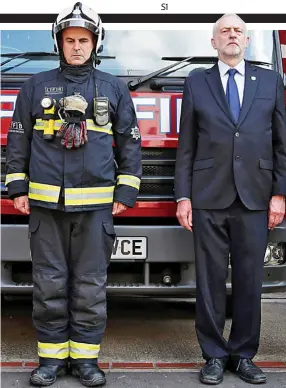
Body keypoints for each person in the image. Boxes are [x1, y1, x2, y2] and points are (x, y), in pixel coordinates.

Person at [5, 2, 142, 386]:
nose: (77, 46)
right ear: (59, 44)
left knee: (90, 284)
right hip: (47, 207)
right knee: (48, 282)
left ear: (95, 43)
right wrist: (17, 187)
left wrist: (126, 191)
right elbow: (19, 141)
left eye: (84, 39)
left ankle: (85, 360)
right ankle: (50, 360)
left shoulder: (114, 87)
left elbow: (130, 143)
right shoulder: (34, 87)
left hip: (96, 207)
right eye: (70, 40)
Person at [174, 13, 286, 385]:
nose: (231, 36)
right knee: (208, 281)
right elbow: (186, 146)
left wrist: (279, 194)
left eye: (238, 31)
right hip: (208, 196)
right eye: (224, 31)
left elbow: (282, 144)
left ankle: (243, 355)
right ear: (213, 42)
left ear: (247, 41)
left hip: (255, 198)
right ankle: (212, 354)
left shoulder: (271, 82)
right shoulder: (197, 82)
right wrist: (183, 197)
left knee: (249, 279)